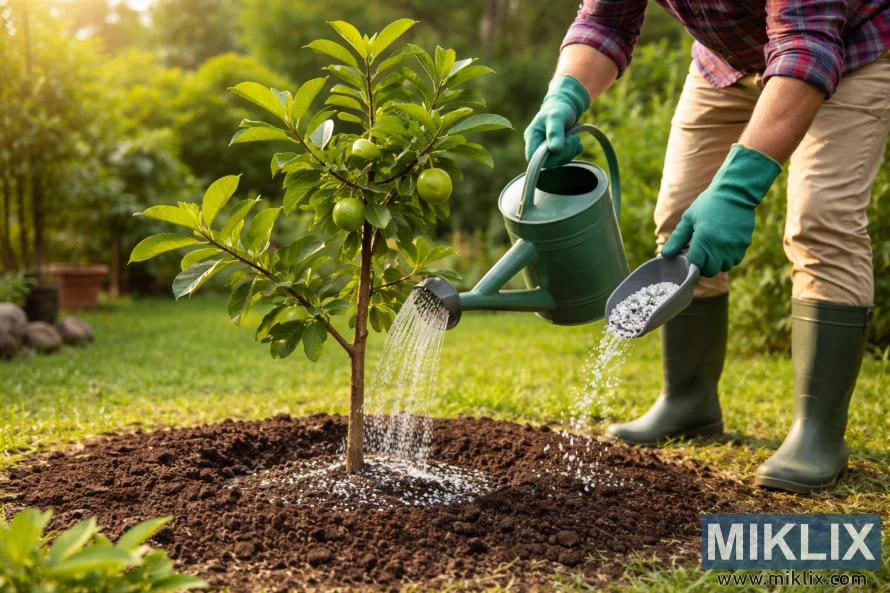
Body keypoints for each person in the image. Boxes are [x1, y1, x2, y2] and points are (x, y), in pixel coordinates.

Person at [526, 1, 890, 494]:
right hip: (727, 62)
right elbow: (605, 19)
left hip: (848, 49)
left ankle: (818, 432)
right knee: (678, 212)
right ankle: (689, 401)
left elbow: (806, 44)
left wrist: (738, 189)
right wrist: (564, 95)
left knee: (821, 222)